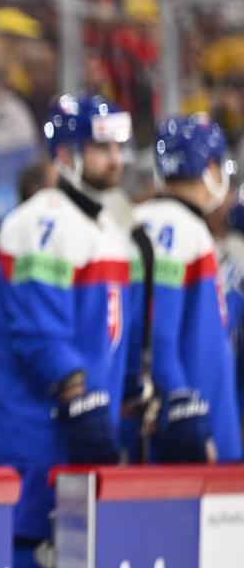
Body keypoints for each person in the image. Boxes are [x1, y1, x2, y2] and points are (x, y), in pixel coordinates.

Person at [0, 95, 138, 568]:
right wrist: (80, 397)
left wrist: (124, 395)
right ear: (66, 156)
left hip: (73, 440)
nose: (115, 160)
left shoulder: (105, 226)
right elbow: (37, 332)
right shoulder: (37, 222)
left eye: (118, 149)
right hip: (28, 441)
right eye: (102, 149)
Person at [135, 113, 242, 464]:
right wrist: (183, 404)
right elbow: (159, 336)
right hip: (191, 423)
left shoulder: (143, 219)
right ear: (211, 167)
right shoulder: (180, 228)